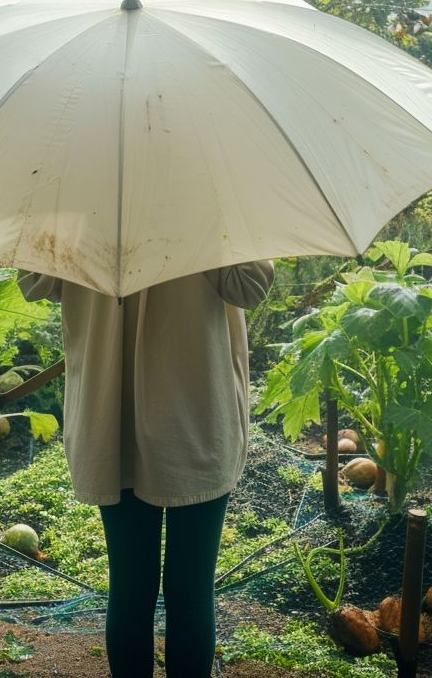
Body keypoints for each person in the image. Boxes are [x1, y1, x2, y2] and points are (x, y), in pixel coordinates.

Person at [18, 262, 274, 678]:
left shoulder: (73, 198)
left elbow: (35, 279)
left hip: (113, 415)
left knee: (133, 587)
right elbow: (249, 285)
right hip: (196, 409)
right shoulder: (213, 196)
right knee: (185, 590)